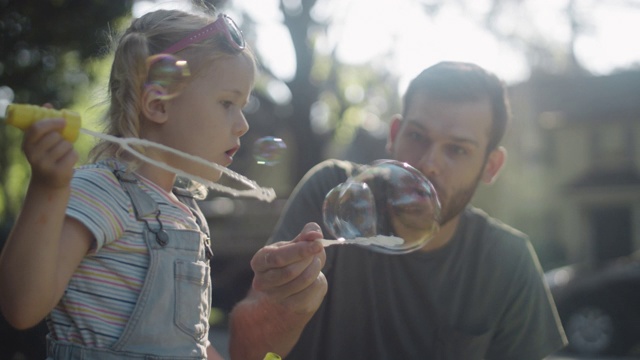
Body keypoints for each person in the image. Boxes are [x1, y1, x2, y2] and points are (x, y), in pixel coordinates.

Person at [0, 8, 322, 360]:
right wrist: (47, 189)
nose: (242, 124)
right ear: (157, 104)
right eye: (227, 102)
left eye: (242, 106)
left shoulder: (187, 214)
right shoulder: (102, 192)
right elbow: (22, 307)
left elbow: (189, 342)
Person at [229, 61, 568, 359]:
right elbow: (245, 353)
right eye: (418, 136)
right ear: (394, 133)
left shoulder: (509, 260)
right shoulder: (332, 192)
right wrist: (283, 310)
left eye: (457, 150)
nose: (429, 164)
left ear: (491, 166)